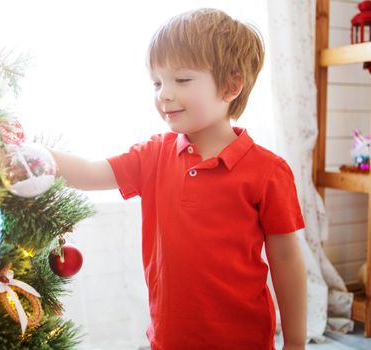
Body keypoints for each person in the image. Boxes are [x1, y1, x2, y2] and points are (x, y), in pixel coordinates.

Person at [47, 8, 307, 350]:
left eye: (181, 80)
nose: (164, 94)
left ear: (231, 86)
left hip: (243, 341)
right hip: (169, 341)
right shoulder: (153, 154)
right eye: (157, 82)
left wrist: (296, 343)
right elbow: (91, 172)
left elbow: (286, 260)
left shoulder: (268, 171)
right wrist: (35, 157)